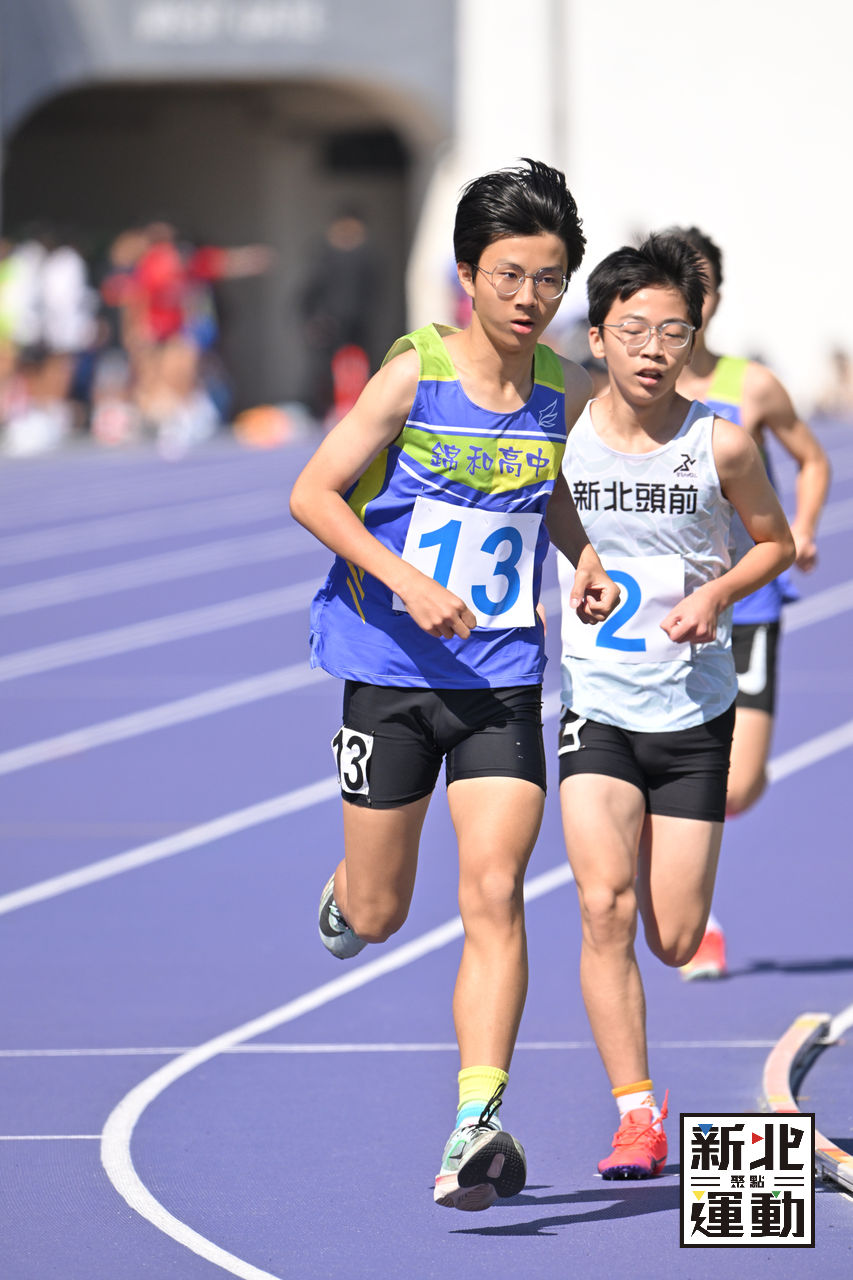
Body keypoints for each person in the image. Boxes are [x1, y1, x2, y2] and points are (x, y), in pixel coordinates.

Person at [289, 159, 619, 1212]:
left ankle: (475, 1120)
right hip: (389, 672)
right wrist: (406, 581)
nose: (530, 297)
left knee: (494, 888)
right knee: (380, 911)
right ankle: (349, 890)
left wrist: (583, 555)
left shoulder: (562, 386)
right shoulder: (413, 374)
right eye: (510, 275)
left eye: (549, 279)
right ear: (468, 275)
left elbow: (546, 484)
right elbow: (312, 493)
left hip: (501, 679)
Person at [556, 234, 795, 1179]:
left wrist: (715, 595)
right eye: (633, 331)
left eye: (672, 332)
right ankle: (636, 1115)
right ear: (598, 337)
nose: (652, 349)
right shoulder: (561, 435)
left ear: (693, 338)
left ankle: (665, 849)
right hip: (597, 708)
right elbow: (533, 507)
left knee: (674, 937)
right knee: (601, 905)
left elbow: (772, 543)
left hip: (693, 715)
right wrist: (578, 561)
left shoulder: (719, 442)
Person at [664, 226, 831, 979]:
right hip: (663, 605)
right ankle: (694, 918)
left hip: (748, 603)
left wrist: (804, 525)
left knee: (740, 783)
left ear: (715, 298)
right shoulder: (634, 385)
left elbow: (811, 459)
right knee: (677, 761)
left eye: (696, 287)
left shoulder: (751, 385)